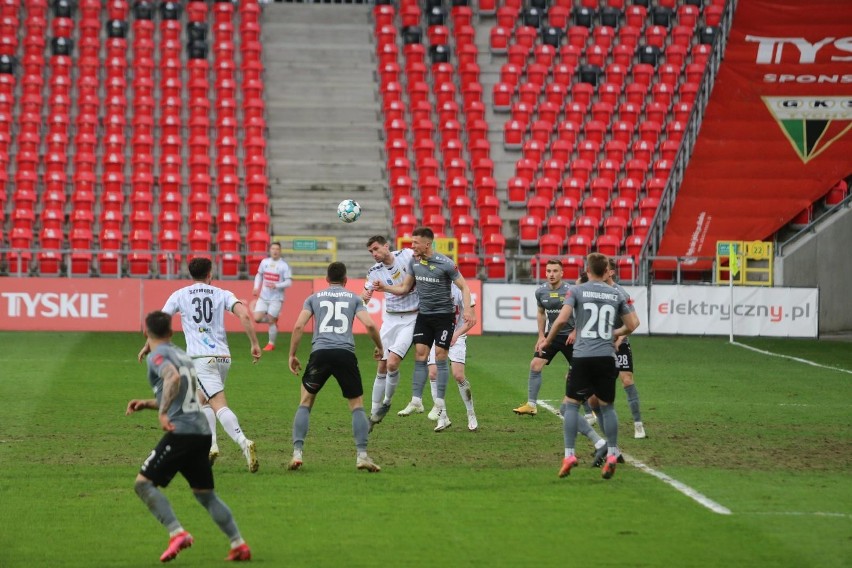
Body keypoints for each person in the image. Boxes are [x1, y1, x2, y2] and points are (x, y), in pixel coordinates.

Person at [127, 310, 251, 563]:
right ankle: (239, 544)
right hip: (201, 433)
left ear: (145, 333)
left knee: (143, 484)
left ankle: (177, 533)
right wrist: (149, 404)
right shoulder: (183, 354)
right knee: (206, 495)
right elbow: (184, 395)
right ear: (171, 333)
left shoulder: (158, 356)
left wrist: (162, 413)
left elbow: (171, 378)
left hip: (182, 433)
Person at [139, 257, 262, 472]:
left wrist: (148, 345)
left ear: (191, 274)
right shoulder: (223, 293)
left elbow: (160, 321)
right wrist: (254, 343)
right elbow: (244, 315)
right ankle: (211, 446)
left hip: (199, 359)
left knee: (217, 403)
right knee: (202, 401)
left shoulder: (180, 294)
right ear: (210, 274)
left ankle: (244, 442)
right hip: (223, 357)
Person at [538, 253, 639, 480]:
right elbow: (632, 324)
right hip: (606, 356)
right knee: (607, 407)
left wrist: (547, 338)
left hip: (582, 356)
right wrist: (616, 333)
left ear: (587, 270)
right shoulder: (616, 293)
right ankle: (612, 453)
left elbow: (562, 319)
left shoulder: (576, 290)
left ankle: (570, 454)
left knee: (571, 406)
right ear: (606, 271)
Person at [371, 227, 476, 432]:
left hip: (444, 319)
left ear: (427, 244)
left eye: (415, 243)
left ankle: (458, 409)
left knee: (448, 367)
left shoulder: (445, 264)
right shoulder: (414, 262)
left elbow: (464, 287)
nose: (411, 246)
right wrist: (384, 288)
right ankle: (420, 402)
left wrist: (469, 313)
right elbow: (403, 288)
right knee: (422, 357)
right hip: (424, 317)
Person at [287, 261, 384, 472]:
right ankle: (362, 455)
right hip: (345, 353)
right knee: (356, 404)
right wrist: (380, 347)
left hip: (319, 353)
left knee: (305, 401)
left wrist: (292, 354)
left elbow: (298, 326)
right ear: (346, 280)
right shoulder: (354, 298)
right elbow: (369, 324)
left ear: (326, 279)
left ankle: (297, 453)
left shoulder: (313, 298)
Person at [360, 235, 419, 429]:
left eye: (376, 249)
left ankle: (387, 401)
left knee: (393, 363)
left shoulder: (407, 255)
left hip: (411, 317)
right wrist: (365, 298)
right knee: (381, 367)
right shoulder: (374, 271)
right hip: (390, 319)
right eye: (371, 252)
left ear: (387, 246)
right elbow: (365, 295)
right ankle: (373, 414)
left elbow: (407, 285)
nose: (374, 254)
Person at [513, 259, 576, 417]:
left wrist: (576, 331)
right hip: (553, 335)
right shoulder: (540, 291)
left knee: (578, 373)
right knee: (535, 364)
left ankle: (591, 411)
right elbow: (541, 313)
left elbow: (583, 313)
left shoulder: (571, 290)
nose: (551, 274)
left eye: (555, 271)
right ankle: (531, 405)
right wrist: (541, 335)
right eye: (548, 271)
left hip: (572, 336)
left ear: (562, 273)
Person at [425, 282, 478, 431]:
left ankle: (470, 413)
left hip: (457, 335)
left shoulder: (462, 291)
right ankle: (443, 418)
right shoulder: (432, 290)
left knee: (458, 375)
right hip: (436, 336)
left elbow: (472, 320)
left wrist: (456, 334)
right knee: (433, 374)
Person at [606, 257, 645, 439]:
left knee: (627, 380)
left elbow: (635, 321)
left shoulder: (620, 293)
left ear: (611, 272)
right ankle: (594, 415)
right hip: (598, 345)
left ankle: (638, 425)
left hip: (619, 345)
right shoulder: (591, 289)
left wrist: (620, 339)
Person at [252, 241, 293, 352]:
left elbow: (289, 282)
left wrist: (276, 285)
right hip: (263, 296)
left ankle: (271, 343)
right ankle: (273, 320)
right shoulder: (264, 262)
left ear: (280, 251)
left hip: (276, 298)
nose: (275, 251)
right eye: (273, 249)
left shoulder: (284, 265)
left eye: (277, 249)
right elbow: (259, 275)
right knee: (257, 319)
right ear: (270, 250)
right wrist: (256, 287)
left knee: (270, 321)